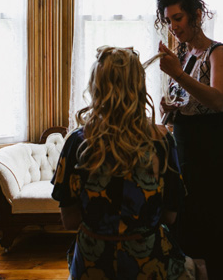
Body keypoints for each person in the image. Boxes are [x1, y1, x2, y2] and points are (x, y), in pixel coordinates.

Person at [52, 46, 195, 279]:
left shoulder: (77, 142)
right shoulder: (162, 141)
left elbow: (69, 220)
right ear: (139, 87)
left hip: (92, 263)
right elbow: (170, 215)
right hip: (149, 262)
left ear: (96, 86)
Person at [155, 0, 223, 279]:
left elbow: (218, 99)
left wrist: (178, 76)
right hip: (185, 146)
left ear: (197, 15)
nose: (173, 27)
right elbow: (186, 101)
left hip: (215, 146)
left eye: (179, 18)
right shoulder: (182, 54)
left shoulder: (219, 52)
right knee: (189, 220)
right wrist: (168, 105)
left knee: (219, 221)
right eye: (169, 21)